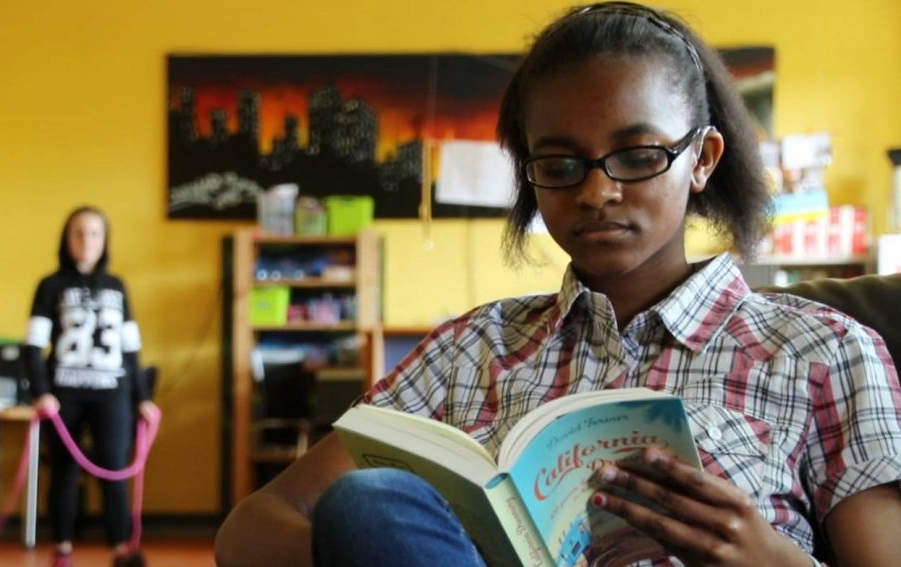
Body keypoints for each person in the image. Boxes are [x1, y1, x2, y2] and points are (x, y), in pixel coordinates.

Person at [214, 2, 901, 566]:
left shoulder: (826, 351)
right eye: (560, 164)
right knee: (369, 502)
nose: (597, 191)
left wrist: (768, 559)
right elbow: (254, 526)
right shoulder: (471, 349)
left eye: (638, 155)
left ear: (702, 159)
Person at [24, 206, 159, 567]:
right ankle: (62, 546)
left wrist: (142, 398)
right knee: (64, 471)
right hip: (63, 395)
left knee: (114, 467)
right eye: (78, 233)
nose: (86, 240)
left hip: (112, 394)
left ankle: (120, 548)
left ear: (105, 240)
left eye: (95, 233)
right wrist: (41, 392)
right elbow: (33, 346)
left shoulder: (117, 286)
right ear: (66, 239)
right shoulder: (50, 285)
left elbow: (131, 348)